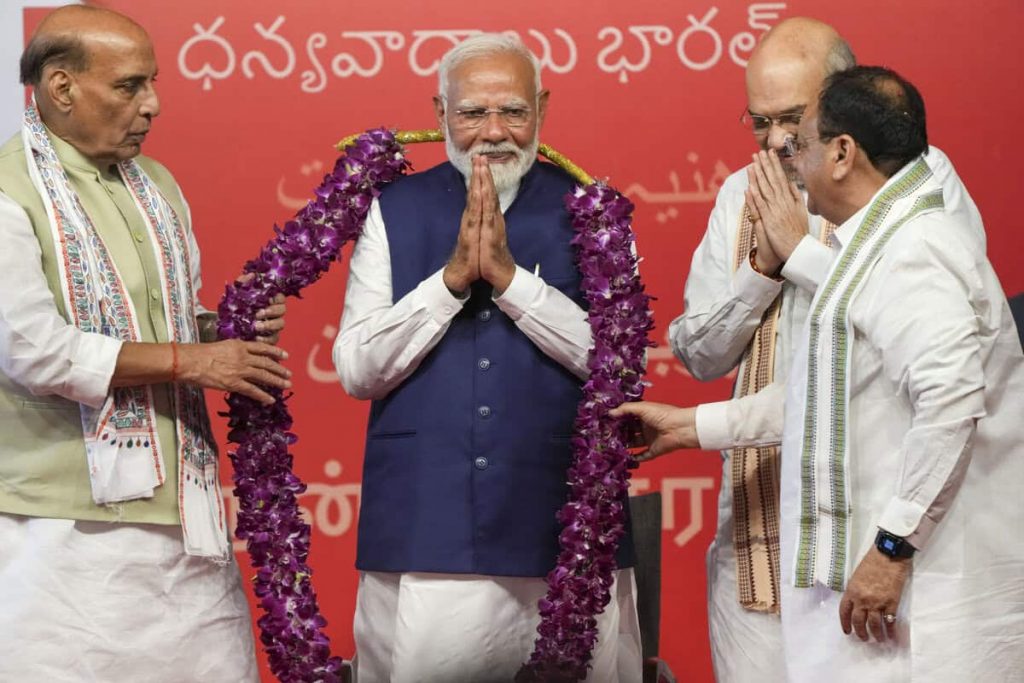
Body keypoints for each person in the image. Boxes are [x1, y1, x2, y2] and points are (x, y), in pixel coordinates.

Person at [618, 65, 1024, 682]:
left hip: (930, 598)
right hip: (885, 590)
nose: (785, 154)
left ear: (841, 154)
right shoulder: (877, 240)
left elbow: (950, 403)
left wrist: (893, 547)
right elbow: (833, 391)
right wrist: (690, 426)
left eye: (799, 140)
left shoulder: (915, 246)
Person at [333, 33, 641, 683]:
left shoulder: (596, 212)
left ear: (543, 108)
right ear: (440, 112)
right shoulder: (394, 209)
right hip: (426, 526)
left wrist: (511, 281)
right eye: (473, 112)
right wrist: (449, 283)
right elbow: (357, 369)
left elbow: (619, 366)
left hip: (564, 526)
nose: (495, 132)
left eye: (514, 111)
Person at [0, 6, 292, 681]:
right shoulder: (8, 191)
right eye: (129, 86)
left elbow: (172, 326)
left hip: (185, 523)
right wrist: (197, 360)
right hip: (59, 537)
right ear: (61, 86)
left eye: (152, 83)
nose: (153, 105)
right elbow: (34, 351)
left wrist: (228, 330)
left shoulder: (156, 185)